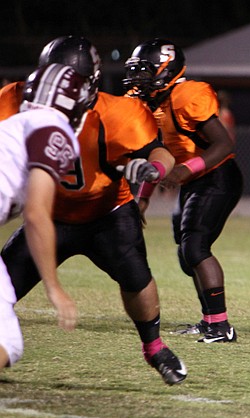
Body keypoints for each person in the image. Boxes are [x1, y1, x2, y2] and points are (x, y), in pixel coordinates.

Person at [0, 36, 186, 384]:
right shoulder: (14, 99)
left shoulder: (119, 113)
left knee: (136, 278)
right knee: (6, 285)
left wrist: (151, 170)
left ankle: (155, 347)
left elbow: (161, 153)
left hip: (107, 212)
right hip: (50, 214)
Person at [123, 38, 243, 344]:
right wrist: (143, 197)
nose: (139, 81)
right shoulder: (153, 105)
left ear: (166, 70)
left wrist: (183, 171)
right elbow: (157, 152)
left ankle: (221, 326)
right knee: (186, 251)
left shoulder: (186, 95)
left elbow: (224, 144)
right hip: (193, 181)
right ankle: (210, 320)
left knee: (195, 247)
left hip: (218, 176)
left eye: (145, 72)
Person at [0, 64, 84, 371]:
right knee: (7, 342)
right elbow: (36, 212)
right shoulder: (54, 128)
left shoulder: (15, 124)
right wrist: (53, 286)